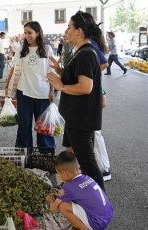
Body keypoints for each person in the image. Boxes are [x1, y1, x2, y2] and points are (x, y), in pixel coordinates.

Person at [47, 11, 105, 190]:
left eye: (69, 27)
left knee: (88, 163)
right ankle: (69, 188)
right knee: (70, 153)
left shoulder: (86, 54)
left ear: (79, 31)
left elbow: (85, 87)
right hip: (74, 117)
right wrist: (59, 70)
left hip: (81, 119)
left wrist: (61, 86)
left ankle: (99, 201)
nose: (67, 31)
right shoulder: (80, 52)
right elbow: (74, 78)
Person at [5, 21, 55, 148]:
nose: (27, 35)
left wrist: (51, 91)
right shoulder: (22, 49)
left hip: (43, 94)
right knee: (24, 125)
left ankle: (46, 154)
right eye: (25, 33)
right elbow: (13, 68)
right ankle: (24, 153)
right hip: (24, 93)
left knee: (43, 127)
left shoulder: (47, 49)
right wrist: (7, 87)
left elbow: (51, 71)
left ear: (38, 33)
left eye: (30, 32)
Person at [45, 151, 113, 230]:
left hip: (96, 224)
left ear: (64, 173)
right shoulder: (86, 177)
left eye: (59, 174)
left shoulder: (69, 186)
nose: (59, 176)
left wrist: (50, 202)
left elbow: (53, 208)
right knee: (71, 201)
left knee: (62, 206)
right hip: (107, 217)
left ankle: (84, 228)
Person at [90, 28, 112, 181]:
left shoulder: (89, 43)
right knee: (92, 133)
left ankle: (105, 169)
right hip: (92, 93)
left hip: (93, 94)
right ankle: (99, 167)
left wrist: (89, 77)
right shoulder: (90, 43)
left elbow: (104, 64)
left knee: (95, 133)